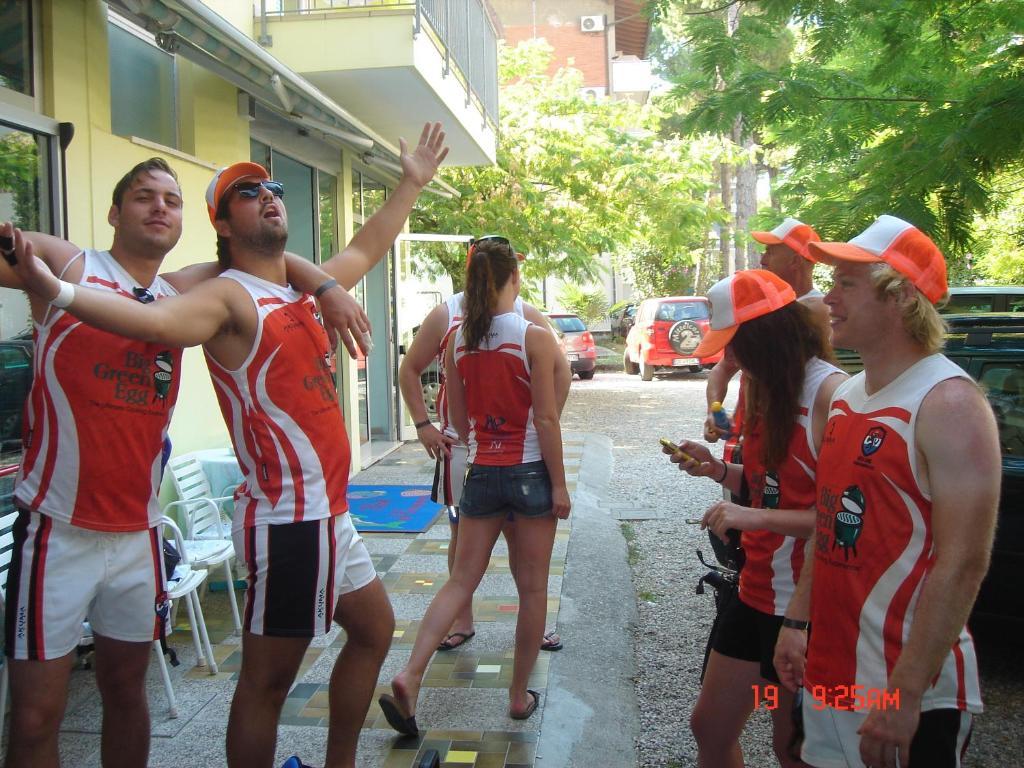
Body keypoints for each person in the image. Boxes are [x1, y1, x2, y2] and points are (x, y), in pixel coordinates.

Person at [9, 122, 450, 768]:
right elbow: (159, 322)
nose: (270, 194)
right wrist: (58, 293)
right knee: (266, 684)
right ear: (221, 224)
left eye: (272, 186)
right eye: (248, 192)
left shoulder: (289, 288)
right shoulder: (217, 295)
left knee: (375, 629)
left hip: (322, 514)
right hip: (283, 518)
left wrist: (409, 186)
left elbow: (365, 246)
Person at [773, 215, 1001, 768]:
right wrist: (797, 620)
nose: (828, 298)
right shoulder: (848, 394)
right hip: (834, 669)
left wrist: (903, 696)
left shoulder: (948, 402)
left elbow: (964, 562)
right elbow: (829, 525)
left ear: (899, 298)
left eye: (847, 284)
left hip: (908, 686)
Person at [380, 237, 570, 734]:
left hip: (481, 473)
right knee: (532, 591)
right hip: (530, 472)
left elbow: (459, 426)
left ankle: (410, 674)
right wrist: (560, 485)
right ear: (514, 279)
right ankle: (515, 696)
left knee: (461, 580)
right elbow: (548, 419)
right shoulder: (535, 336)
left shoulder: (457, 339)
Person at [664, 269, 846, 768]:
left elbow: (844, 520)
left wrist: (752, 516)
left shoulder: (831, 395)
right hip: (753, 590)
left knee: (791, 748)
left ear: (766, 336)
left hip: (803, 609)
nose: (731, 359)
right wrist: (719, 469)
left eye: (736, 345)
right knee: (710, 727)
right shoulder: (763, 387)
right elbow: (771, 486)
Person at [703, 218, 830, 444]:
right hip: (756, 433)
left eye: (770, 252)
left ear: (795, 261)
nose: (762, 259)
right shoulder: (764, 308)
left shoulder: (816, 310)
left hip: (787, 437)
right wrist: (714, 409)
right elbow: (723, 369)